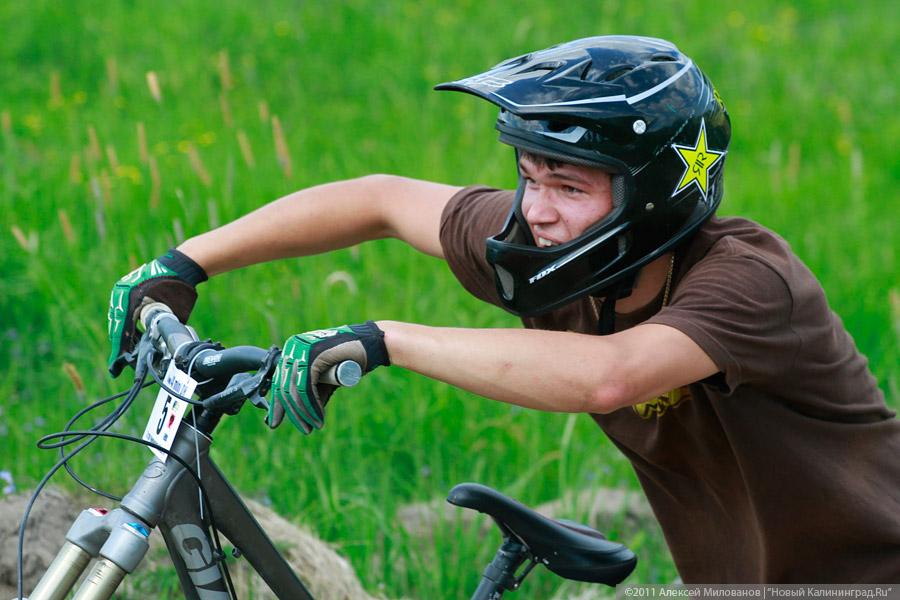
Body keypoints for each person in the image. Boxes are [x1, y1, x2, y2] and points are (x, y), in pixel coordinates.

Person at [105, 36, 900, 582]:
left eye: (569, 185)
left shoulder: (749, 281)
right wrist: (183, 263)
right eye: (528, 174)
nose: (537, 209)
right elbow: (377, 199)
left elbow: (611, 376)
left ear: (654, 193)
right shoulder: (548, 248)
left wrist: (382, 340)